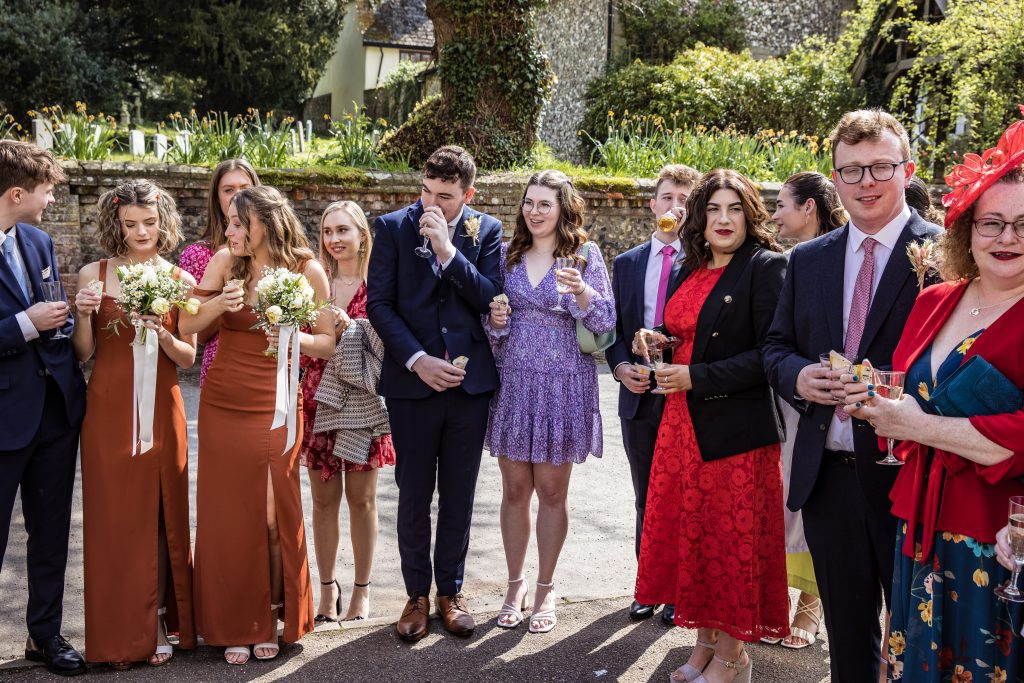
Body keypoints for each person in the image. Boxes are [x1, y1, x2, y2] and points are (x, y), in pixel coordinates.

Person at [763, 109, 942, 682]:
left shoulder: (945, 257)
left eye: (880, 168)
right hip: (830, 478)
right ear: (834, 179)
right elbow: (775, 346)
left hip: (912, 475)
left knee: (922, 639)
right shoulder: (809, 258)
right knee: (848, 641)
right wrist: (797, 377)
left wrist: (892, 387)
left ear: (907, 169)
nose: (866, 182)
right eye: (851, 170)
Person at [845, 112, 1024, 681]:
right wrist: (873, 404)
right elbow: (902, 390)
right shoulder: (935, 300)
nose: (1007, 238)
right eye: (991, 223)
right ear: (967, 230)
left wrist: (914, 426)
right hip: (919, 526)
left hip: (1000, 537)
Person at [634, 169, 789, 682]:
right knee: (697, 540)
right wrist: (655, 339)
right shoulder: (693, 266)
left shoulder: (766, 267)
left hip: (734, 434)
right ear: (699, 218)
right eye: (715, 209)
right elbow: (688, 330)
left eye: (735, 209)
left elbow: (769, 355)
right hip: (681, 427)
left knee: (729, 544)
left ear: (750, 214)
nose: (724, 220)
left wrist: (695, 376)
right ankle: (703, 646)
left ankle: (734, 658)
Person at [180, 185, 335, 665]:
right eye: (228, 222)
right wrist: (218, 307)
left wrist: (293, 335)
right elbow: (187, 327)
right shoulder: (225, 263)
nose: (227, 231)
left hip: (277, 404)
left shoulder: (307, 269)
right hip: (223, 401)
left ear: (264, 223)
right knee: (227, 514)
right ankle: (232, 624)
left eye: (236, 223)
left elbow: (327, 343)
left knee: (271, 513)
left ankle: (271, 615)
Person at [366, 145, 502, 642]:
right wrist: (417, 360)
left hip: (469, 387)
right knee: (414, 493)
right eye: (425, 191)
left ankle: (452, 591)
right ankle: (416, 596)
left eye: (444, 197)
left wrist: (448, 250)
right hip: (412, 384)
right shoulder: (391, 227)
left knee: (460, 494)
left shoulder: (486, 230)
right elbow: (380, 305)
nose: (430, 205)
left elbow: (490, 297)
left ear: (467, 193)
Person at [72, 180, 197, 668]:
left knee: (160, 515)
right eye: (130, 225)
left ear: (163, 220)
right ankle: (117, 632)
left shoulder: (181, 281)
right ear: (116, 224)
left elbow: (187, 359)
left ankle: (158, 624)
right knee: (113, 519)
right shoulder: (93, 273)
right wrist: (83, 317)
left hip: (163, 410)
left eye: (149, 223)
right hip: (106, 408)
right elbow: (84, 354)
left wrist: (160, 331)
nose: (140, 232)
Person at [485, 170, 615, 633]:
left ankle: (545, 587)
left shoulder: (584, 256)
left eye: (544, 203)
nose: (534, 211)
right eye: (529, 202)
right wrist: (497, 321)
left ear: (563, 208)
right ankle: (514, 584)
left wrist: (581, 290)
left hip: (563, 383)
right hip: (515, 383)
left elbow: (604, 320)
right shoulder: (507, 255)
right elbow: (490, 325)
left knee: (553, 493)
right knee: (515, 491)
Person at [0, 140, 87, 676]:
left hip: (55, 412)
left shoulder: (35, 239)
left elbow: (57, 315)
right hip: (3, 417)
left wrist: (69, 319)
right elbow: (32, 319)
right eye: (46, 191)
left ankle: (45, 636)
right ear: (15, 192)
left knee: (51, 531)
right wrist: (29, 323)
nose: (51, 200)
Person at [605, 164, 699, 624]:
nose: (674, 208)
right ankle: (648, 584)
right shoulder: (626, 263)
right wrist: (622, 367)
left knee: (684, 494)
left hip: (686, 394)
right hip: (639, 395)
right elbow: (614, 330)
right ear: (652, 204)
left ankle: (681, 589)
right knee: (647, 495)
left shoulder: (703, 263)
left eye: (684, 199)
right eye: (667, 197)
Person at [300, 201, 395, 623]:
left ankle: (362, 589)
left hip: (361, 403)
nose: (334, 240)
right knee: (323, 502)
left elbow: (389, 342)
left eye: (343, 230)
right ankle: (325, 589)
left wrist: (350, 327)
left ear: (362, 235)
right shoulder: (311, 282)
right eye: (327, 232)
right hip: (316, 398)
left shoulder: (379, 285)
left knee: (362, 500)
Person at [763, 171, 845, 650]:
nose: (775, 214)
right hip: (786, 393)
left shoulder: (837, 259)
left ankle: (811, 609)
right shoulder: (785, 261)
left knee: (811, 495)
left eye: (783, 205)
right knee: (784, 500)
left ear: (809, 207)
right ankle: (779, 601)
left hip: (828, 401)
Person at [178, 159, 260, 386]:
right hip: (222, 367)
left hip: (270, 364)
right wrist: (223, 301)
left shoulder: (279, 256)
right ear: (216, 198)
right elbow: (199, 335)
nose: (237, 196)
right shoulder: (198, 255)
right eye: (228, 190)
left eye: (245, 188)